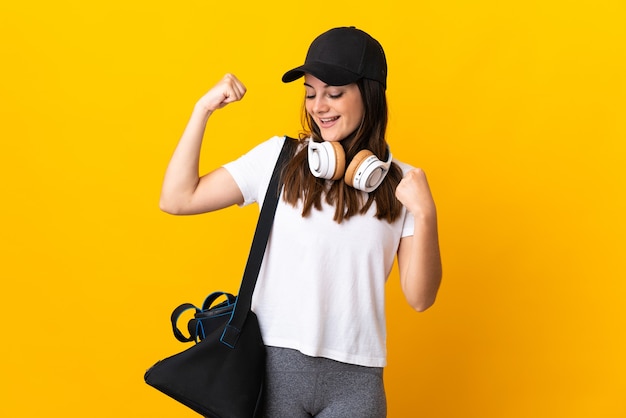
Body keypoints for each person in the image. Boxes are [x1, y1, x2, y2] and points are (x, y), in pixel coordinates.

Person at [160, 26, 442, 418]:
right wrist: (202, 110)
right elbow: (177, 198)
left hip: (357, 380)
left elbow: (420, 297)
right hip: (274, 370)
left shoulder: (402, 185)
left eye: (334, 93)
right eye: (310, 93)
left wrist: (426, 215)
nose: (318, 106)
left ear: (370, 94)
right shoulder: (279, 159)